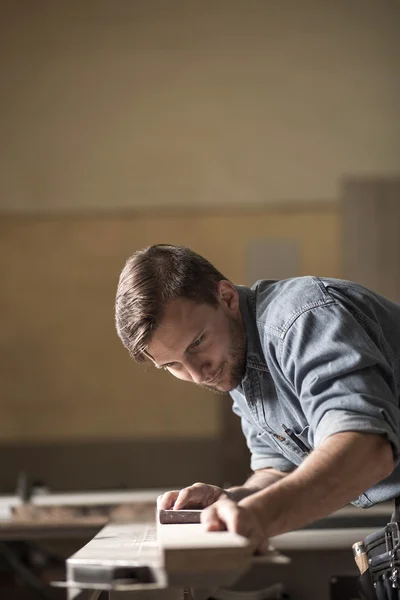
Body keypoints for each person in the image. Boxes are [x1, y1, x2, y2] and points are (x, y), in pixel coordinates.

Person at [115, 244, 400, 551]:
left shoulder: (303, 319)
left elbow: (368, 448)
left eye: (196, 343)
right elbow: (280, 469)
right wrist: (236, 500)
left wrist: (262, 516)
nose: (198, 375)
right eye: (172, 365)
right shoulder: (237, 360)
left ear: (226, 298)